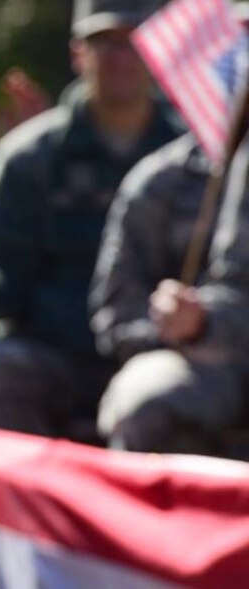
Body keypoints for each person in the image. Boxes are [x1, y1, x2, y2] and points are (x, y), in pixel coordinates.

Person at [0, 0, 182, 437]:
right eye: (104, 43)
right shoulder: (30, 157)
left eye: (134, 42)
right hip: (55, 353)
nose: (120, 57)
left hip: (162, 351)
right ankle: (10, 510)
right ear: (78, 55)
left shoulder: (196, 154)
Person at [92, 123, 249, 455]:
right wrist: (190, 324)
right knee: (144, 397)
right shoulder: (160, 181)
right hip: (210, 368)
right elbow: (117, 309)